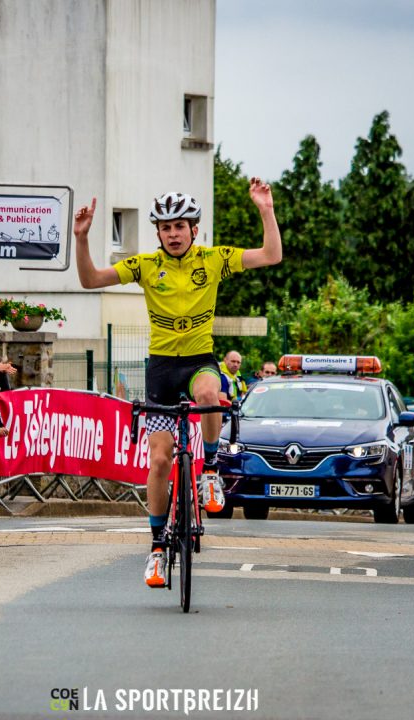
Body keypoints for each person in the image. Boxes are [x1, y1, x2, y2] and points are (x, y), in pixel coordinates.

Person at [73, 178, 282, 588]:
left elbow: (271, 255)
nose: (172, 234)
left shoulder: (215, 258)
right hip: (162, 369)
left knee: (209, 394)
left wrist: (265, 209)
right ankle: (155, 547)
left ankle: (209, 469)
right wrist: (81, 239)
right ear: (158, 234)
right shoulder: (146, 266)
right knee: (159, 462)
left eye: (179, 227)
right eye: (165, 228)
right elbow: (91, 280)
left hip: (200, 361)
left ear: (193, 229)